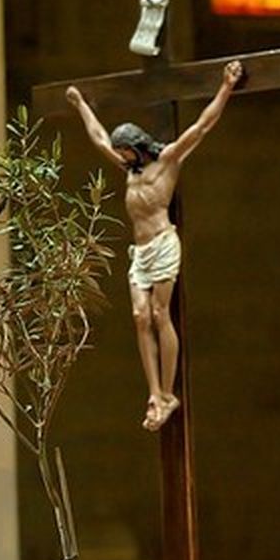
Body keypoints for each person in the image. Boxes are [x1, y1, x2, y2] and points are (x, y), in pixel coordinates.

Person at [65, 59, 243, 432]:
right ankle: (153, 393)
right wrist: (81, 104)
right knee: (139, 317)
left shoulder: (167, 160)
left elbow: (202, 126)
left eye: (125, 151)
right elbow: (98, 139)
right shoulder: (130, 168)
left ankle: (168, 392)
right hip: (140, 252)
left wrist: (226, 86)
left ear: (137, 147)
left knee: (160, 315)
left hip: (162, 243)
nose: (121, 156)